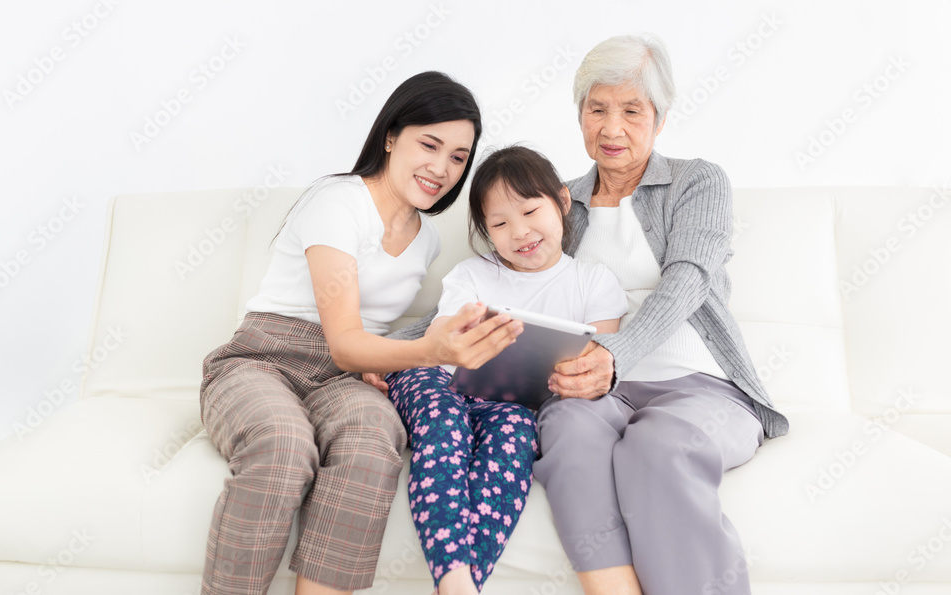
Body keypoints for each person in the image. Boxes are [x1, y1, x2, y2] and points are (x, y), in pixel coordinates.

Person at [198, 71, 523, 595]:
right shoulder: (337, 201)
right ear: (391, 136)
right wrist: (427, 349)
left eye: (458, 157)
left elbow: (365, 344)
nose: (441, 168)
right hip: (264, 358)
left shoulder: (428, 242)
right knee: (283, 445)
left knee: (376, 440)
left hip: (347, 378)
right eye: (430, 144)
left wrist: (401, 352)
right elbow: (344, 337)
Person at [531, 35, 790, 595]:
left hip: (703, 391)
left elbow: (688, 280)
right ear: (579, 115)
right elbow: (499, 282)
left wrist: (613, 354)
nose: (612, 128)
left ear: (661, 118)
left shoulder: (697, 181)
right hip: (598, 394)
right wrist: (398, 346)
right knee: (565, 431)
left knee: (659, 447)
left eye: (632, 110)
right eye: (596, 109)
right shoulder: (558, 201)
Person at [384, 146, 628, 595]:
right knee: (443, 424)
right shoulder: (472, 274)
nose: (519, 232)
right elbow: (441, 339)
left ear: (562, 203)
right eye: (499, 224)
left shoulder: (594, 283)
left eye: (531, 210)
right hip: (444, 380)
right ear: (485, 233)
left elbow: (596, 361)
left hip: (516, 401)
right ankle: (458, 583)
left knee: (514, 440)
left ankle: (462, 584)